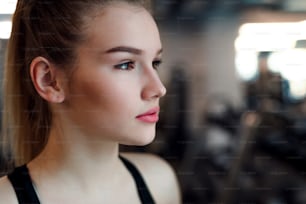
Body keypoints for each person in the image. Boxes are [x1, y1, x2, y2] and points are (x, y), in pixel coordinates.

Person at [0, 0, 181, 203]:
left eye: (155, 63)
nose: (158, 89)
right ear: (50, 81)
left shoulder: (160, 182)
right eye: (125, 64)